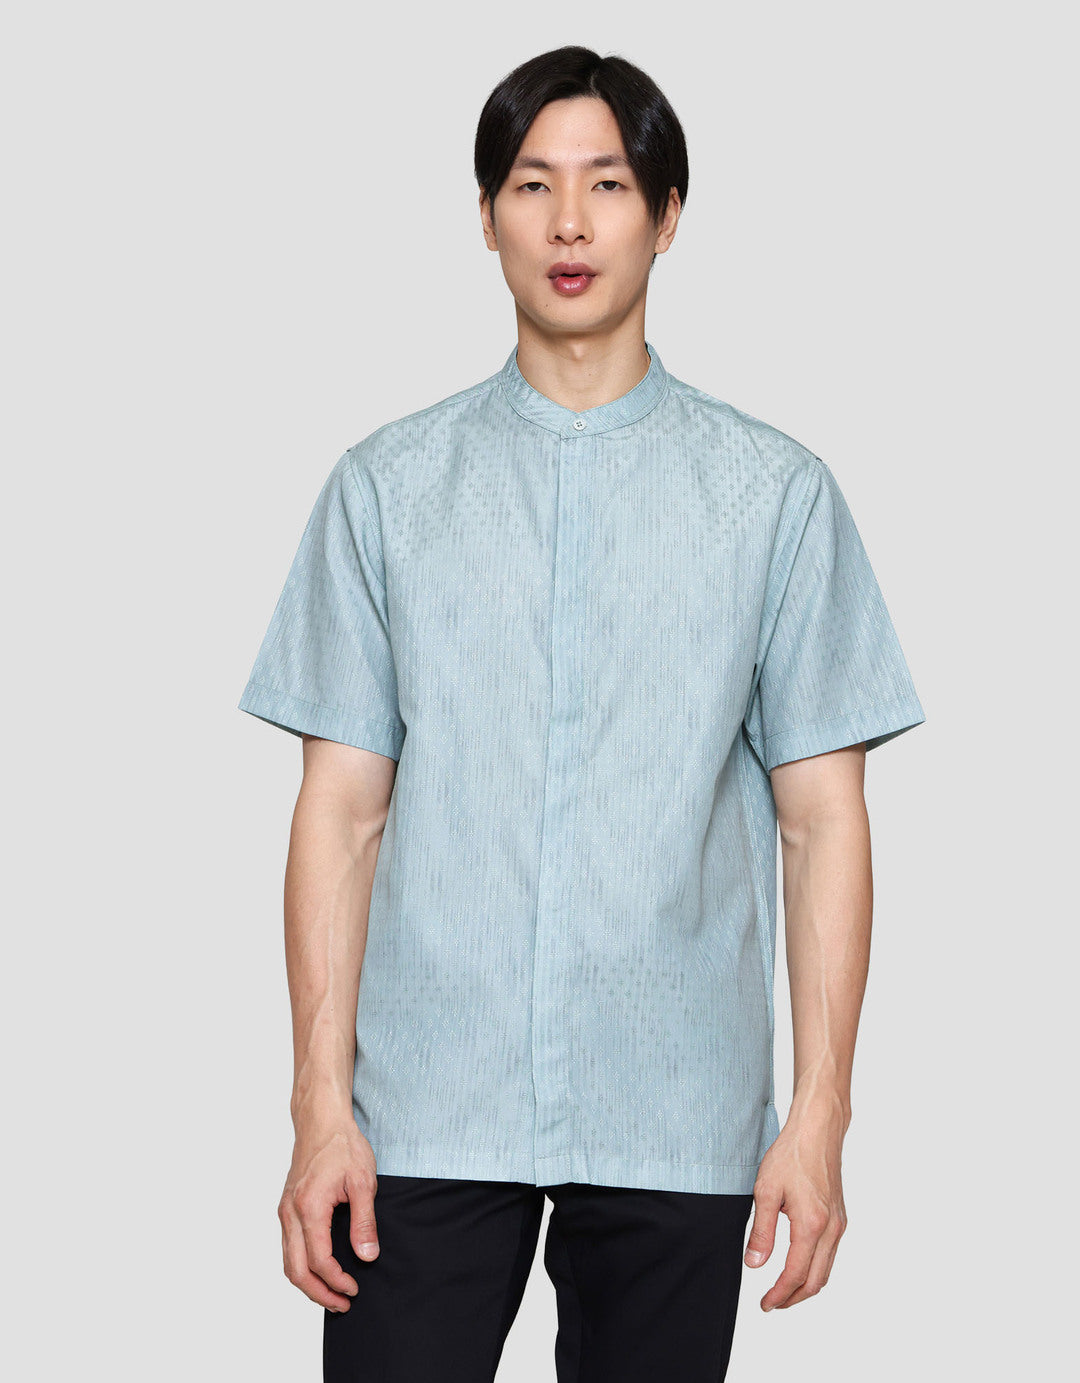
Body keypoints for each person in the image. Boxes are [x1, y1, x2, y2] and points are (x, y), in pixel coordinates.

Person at [237, 45, 926, 1383]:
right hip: (424, 1110)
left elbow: (822, 826)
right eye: (532, 184)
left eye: (607, 184)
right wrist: (320, 1106)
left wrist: (821, 1116)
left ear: (666, 217)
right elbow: (341, 813)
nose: (568, 222)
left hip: (674, 1104)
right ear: (486, 216)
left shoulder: (773, 497)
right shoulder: (387, 490)